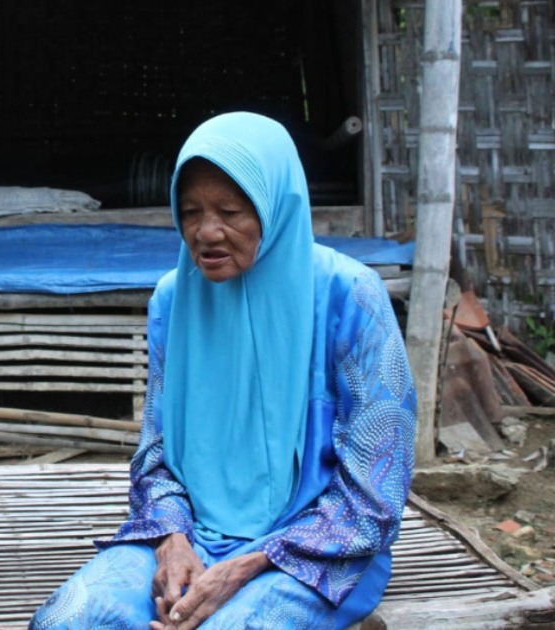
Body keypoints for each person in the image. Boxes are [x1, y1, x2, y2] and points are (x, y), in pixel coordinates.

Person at [30, 112, 417, 630]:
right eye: (190, 212)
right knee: (67, 619)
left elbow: (375, 492)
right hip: (195, 537)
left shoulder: (351, 297)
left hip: (316, 551)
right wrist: (173, 542)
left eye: (230, 211)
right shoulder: (174, 299)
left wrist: (245, 567)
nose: (206, 232)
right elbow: (155, 456)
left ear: (275, 205)